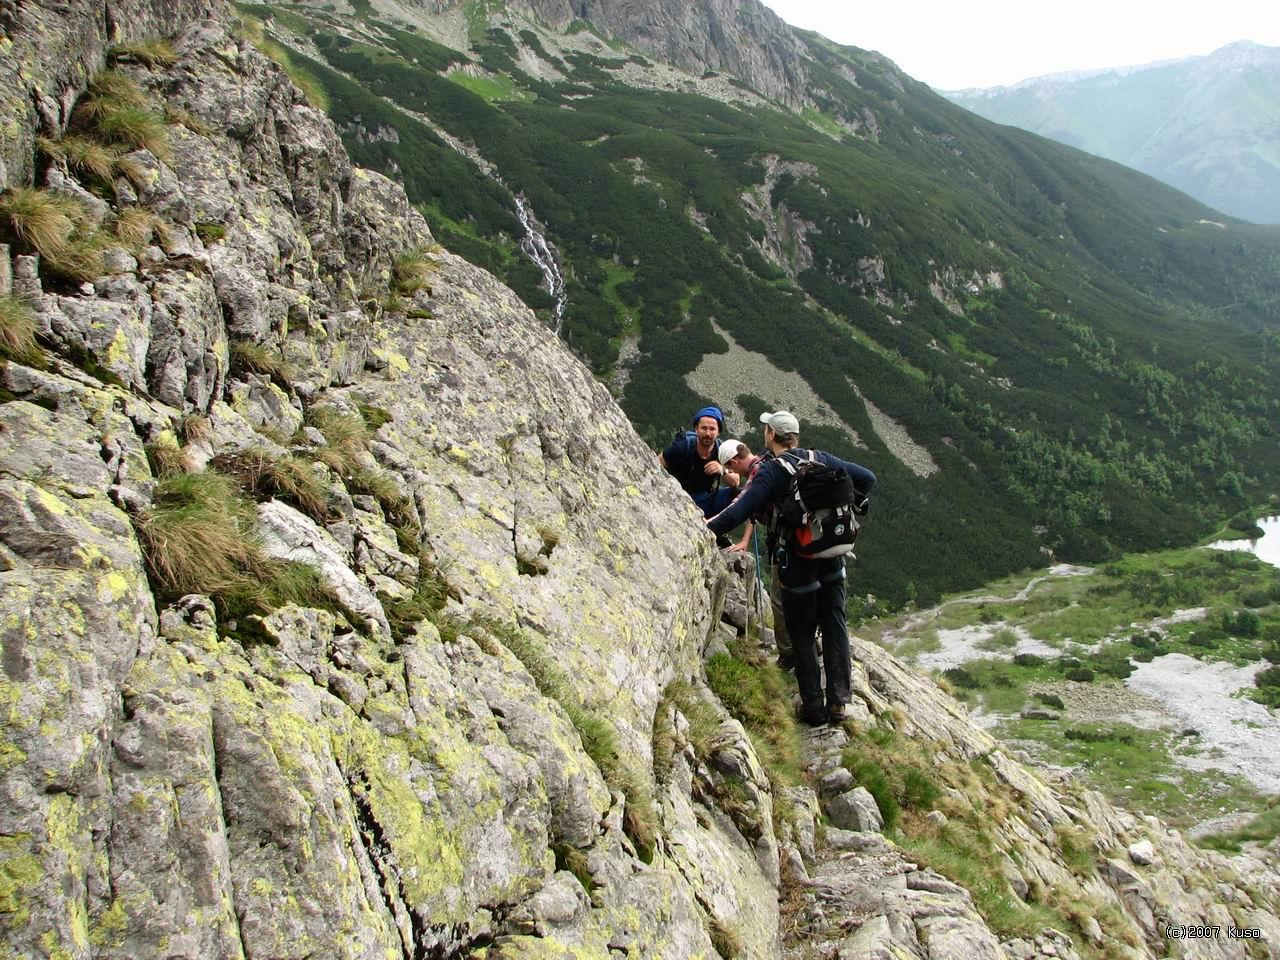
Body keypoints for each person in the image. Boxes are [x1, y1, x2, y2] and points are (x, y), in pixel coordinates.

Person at [707, 410, 875, 725]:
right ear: (795, 436)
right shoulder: (821, 458)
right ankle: (839, 703)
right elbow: (867, 478)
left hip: (796, 563)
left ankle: (813, 707)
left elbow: (742, 509)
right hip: (832, 557)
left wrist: (704, 526)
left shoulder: (771, 471)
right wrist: (855, 501)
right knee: (835, 626)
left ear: (771, 435)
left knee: (801, 631)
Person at [718, 440, 795, 670]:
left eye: (731, 469)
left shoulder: (757, 473)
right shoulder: (766, 462)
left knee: (780, 599)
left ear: (733, 462)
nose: (733, 474)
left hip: (785, 542)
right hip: (797, 538)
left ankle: (788, 655)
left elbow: (744, 504)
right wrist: (744, 541)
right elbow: (753, 505)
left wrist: (708, 525)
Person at [659, 406, 740, 518]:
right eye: (704, 428)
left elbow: (735, 483)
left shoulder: (721, 450)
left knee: (739, 494)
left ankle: (716, 529)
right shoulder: (682, 447)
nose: (707, 433)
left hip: (705, 498)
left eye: (712, 429)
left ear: (718, 432)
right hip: (675, 496)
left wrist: (722, 469)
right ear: (696, 429)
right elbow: (657, 464)